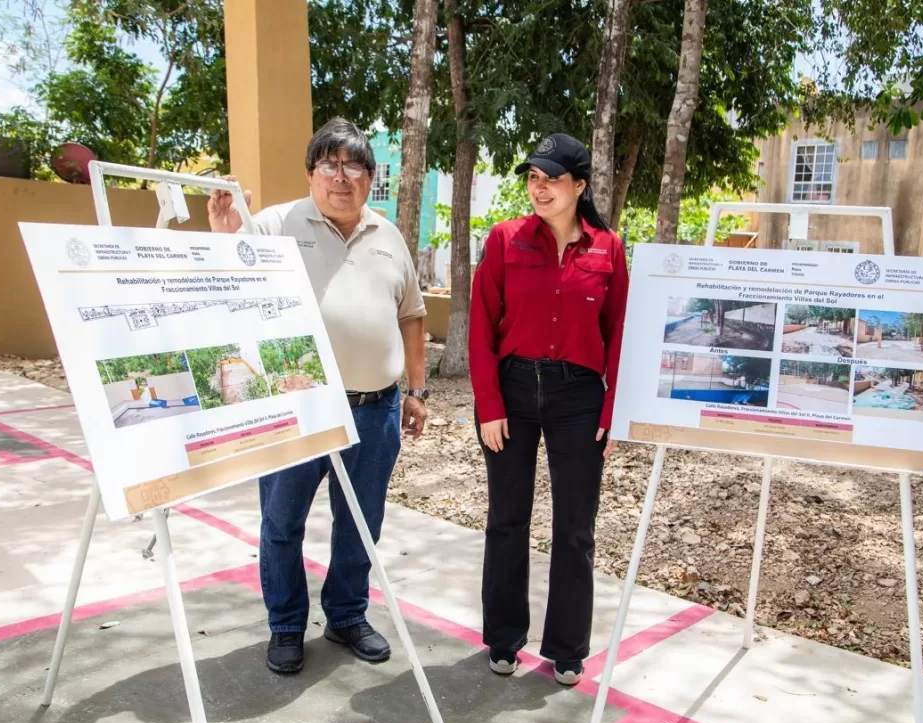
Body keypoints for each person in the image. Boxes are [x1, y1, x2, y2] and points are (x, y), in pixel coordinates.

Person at [207, 117, 430, 675]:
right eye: (329, 164)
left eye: (354, 166)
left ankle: (347, 614)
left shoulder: (388, 235)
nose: (341, 176)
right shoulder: (275, 224)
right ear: (311, 173)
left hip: (375, 408)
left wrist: (417, 390)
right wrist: (223, 232)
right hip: (296, 408)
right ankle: (285, 625)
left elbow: (412, 317)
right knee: (282, 522)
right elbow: (228, 280)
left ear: (369, 178)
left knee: (362, 520)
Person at [468, 133, 629, 686]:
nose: (539, 187)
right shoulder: (505, 239)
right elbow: (480, 327)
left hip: (578, 400)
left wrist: (612, 410)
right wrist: (488, 405)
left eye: (551, 178)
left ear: (579, 186)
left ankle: (566, 647)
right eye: (533, 177)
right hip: (512, 394)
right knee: (507, 520)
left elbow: (620, 334)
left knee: (575, 528)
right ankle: (504, 638)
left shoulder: (608, 248)